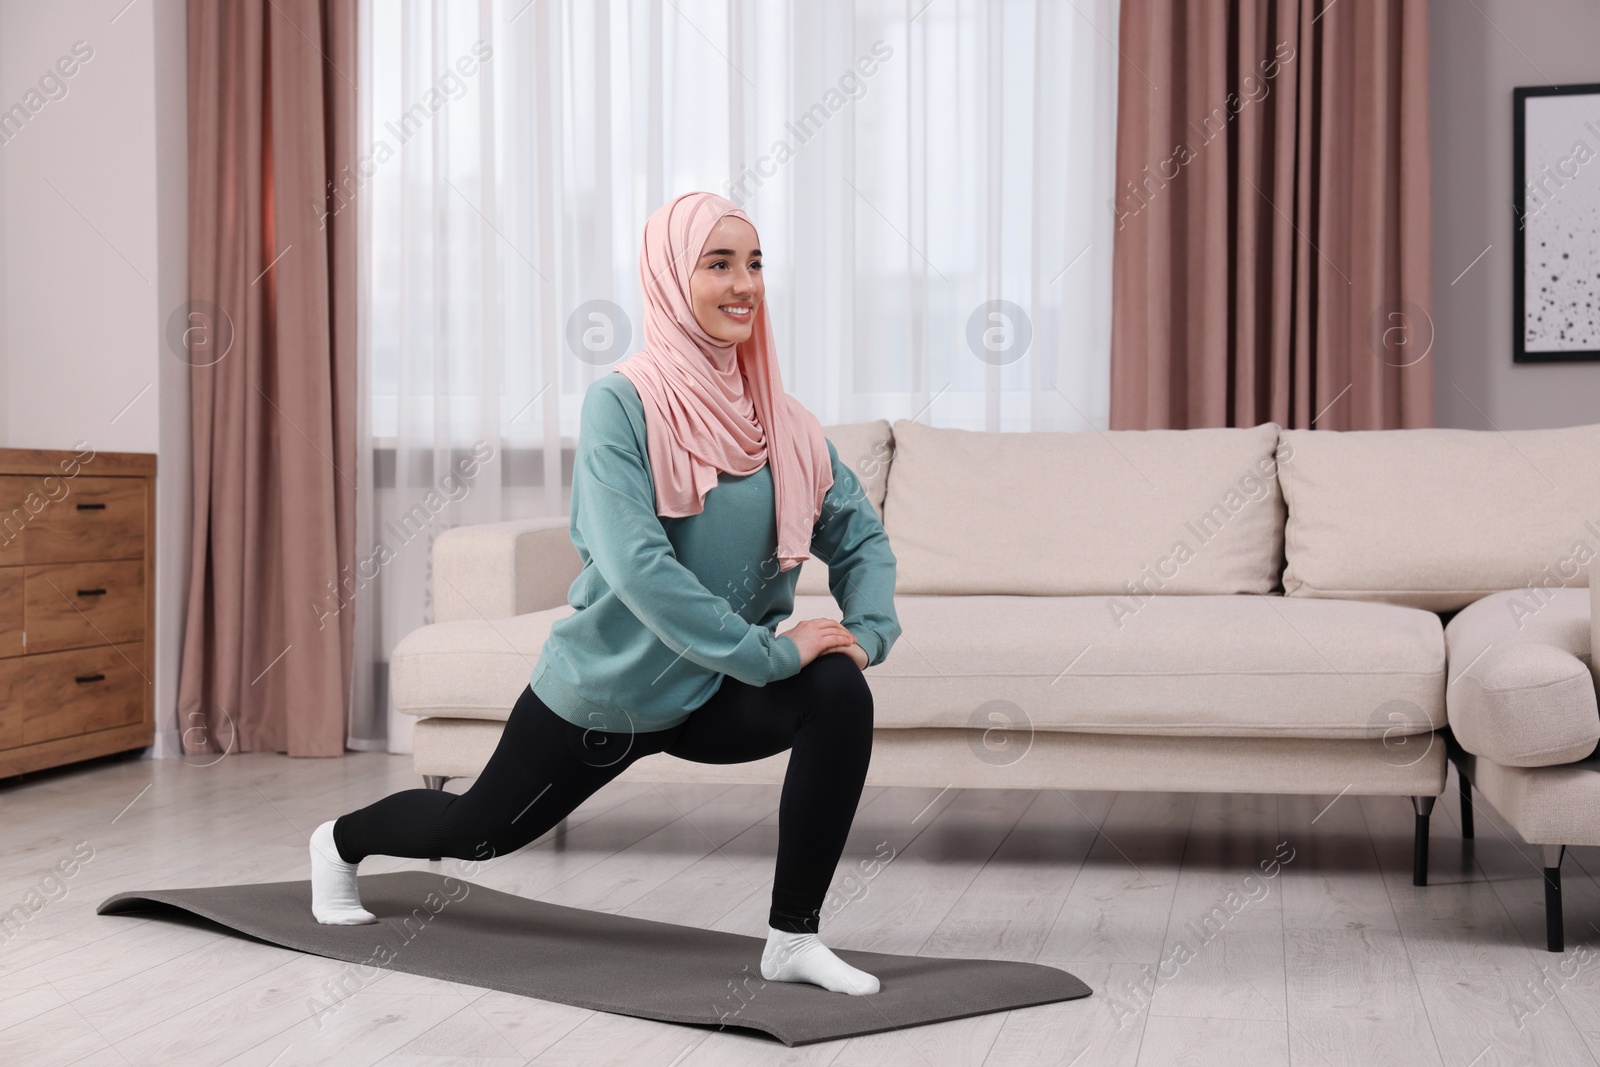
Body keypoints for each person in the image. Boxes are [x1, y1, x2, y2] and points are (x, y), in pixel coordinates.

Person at [309, 190, 902, 997]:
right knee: (475, 833)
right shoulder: (621, 403)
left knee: (837, 687)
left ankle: (792, 937)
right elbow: (637, 565)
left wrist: (866, 629)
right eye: (718, 263)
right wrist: (767, 650)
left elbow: (858, 534)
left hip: (720, 692)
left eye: (755, 264)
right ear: (667, 276)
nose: (744, 284)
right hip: (608, 698)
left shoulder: (783, 423)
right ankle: (339, 843)